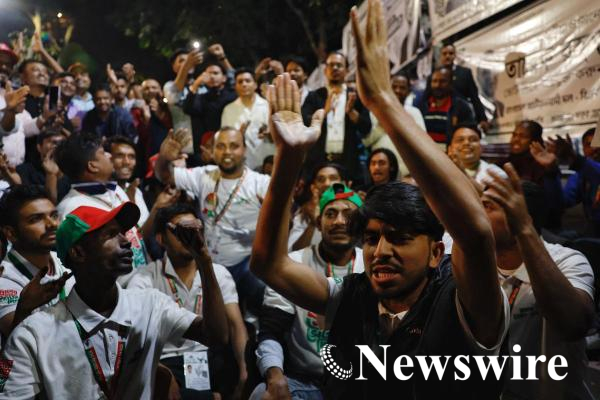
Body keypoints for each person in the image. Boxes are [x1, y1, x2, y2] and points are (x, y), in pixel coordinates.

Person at [251, 4, 508, 400]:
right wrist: (289, 157)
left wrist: (384, 102)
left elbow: (475, 233)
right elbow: (268, 264)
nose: (381, 251)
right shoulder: (353, 295)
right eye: (371, 238)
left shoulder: (464, 303)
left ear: (436, 252)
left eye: (399, 238)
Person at [0, 202, 229, 399]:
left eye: (123, 232)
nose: (126, 241)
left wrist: (204, 261)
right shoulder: (34, 334)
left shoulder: (150, 305)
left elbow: (216, 336)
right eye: (110, 234)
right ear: (78, 253)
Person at [482, 166, 595, 399]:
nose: (476, 213)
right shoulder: (475, 263)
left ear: (523, 218)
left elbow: (574, 324)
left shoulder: (567, 260)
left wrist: (523, 231)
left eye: (488, 206)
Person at [252, 184, 365, 400]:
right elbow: (271, 330)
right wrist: (274, 376)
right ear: (318, 223)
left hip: (357, 382)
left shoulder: (370, 265)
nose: (339, 221)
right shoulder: (294, 263)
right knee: (262, 394)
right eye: (330, 214)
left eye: (348, 215)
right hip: (306, 381)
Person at [128, 204, 249, 399]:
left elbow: (236, 326)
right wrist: (160, 370)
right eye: (180, 231)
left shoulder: (217, 273)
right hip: (167, 362)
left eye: (194, 229)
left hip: (210, 359)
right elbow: (134, 338)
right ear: (160, 238)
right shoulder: (145, 279)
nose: (189, 236)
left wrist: (245, 369)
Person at [155, 126, 269, 311]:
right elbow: (165, 176)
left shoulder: (261, 183)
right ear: (213, 150)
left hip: (245, 265)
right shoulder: (204, 175)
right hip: (210, 264)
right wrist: (164, 158)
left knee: (257, 299)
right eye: (221, 146)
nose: (227, 151)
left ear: (245, 150)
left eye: (234, 146)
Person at [55, 133, 150, 280]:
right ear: (92, 166)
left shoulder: (117, 191)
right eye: (103, 153)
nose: (110, 155)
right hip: (113, 288)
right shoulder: (71, 208)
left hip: (141, 280)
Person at [0, 185, 74, 337]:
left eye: (54, 215)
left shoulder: (66, 260)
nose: (52, 224)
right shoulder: (4, 280)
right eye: (36, 219)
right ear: (11, 233)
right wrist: (24, 309)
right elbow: (15, 337)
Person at [302, 52, 372, 186]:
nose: (335, 68)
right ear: (325, 70)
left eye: (339, 65)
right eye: (331, 65)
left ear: (347, 70)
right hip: (318, 161)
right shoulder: (314, 96)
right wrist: (325, 110)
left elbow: (366, 128)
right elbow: (304, 124)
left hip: (348, 162)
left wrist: (351, 112)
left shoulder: (355, 96)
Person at [362, 74, 425, 178]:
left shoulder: (414, 113)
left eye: (402, 88)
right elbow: (366, 142)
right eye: (394, 87)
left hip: (408, 171)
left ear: (409, 91)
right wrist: (381, 126)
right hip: (381, 173)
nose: (398, 91)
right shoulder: (374, 112)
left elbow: (423, 143)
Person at [507, 120, 562, 229]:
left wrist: (550, 169)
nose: (516, 139)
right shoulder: (504, 163)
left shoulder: (543, 166)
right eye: (514, 135)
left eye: (523, 136)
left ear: (535, 141)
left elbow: (555, 204)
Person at [183, 61, 236, 164]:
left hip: (229, 143)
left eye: (215, 73)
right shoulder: (202, 98)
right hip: (208, 146)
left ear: (224, 78)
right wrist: (196, 84)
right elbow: (188, 109)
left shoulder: (233, 96)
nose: (211, 76)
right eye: (208, 74)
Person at [221, 67, 273, 170]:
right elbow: (224, 138)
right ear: (235, 86)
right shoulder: (228, 109)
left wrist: (270, 133)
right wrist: (238, 135)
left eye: (247, 81)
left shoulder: (268, 106)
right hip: (242, 162)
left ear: (255, 85)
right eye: (240, 82)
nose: (244, 84)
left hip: (267, 161)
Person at [288, 162, 346, 251]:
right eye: (321, 180)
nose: (327, 183)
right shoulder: (305, 214)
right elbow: (293, 251)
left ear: (343, 184)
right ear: (313, 187)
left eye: (333, 178)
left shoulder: (355, 211)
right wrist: (313, 223)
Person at [554, 129, 600, 236]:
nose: (595, 148)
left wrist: (576, 159)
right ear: (583, 149)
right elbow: (564, 202)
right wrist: (550, 171)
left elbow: (596, 172)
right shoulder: (579, 175)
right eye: (589, 145)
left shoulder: (587, 168)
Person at [415, 66, 476, 147]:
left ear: (450, 83)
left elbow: (468, 133)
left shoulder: (461, 107)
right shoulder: (422, 106)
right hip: (424, 152)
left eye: (442, 81)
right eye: (434, 81)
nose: (438, 85)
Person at [439, 44, 490, 132]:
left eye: (451, 53)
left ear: (455, 55)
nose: (447, 56)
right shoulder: (435, 75)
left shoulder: (465, 73)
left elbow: (474, 97)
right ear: (440, 56)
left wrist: (482, 118)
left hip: (463, 117)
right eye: (444, 53)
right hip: (442, 116)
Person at [163, 49, 203, 154]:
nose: (186, 63)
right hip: (183, 146)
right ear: (174, 67)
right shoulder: (169, 86)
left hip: (204, 147)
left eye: (188, 60)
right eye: (181, 61)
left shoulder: (202, 85)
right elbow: (173, 96)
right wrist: (187, 65)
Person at [16, 129, 71, 204]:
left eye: (61, 143)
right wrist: (50, 174)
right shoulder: (24, 170)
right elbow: (48, 203)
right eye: (54, 142)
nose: (57, 146)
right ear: (39, 147)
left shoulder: (70, 172)